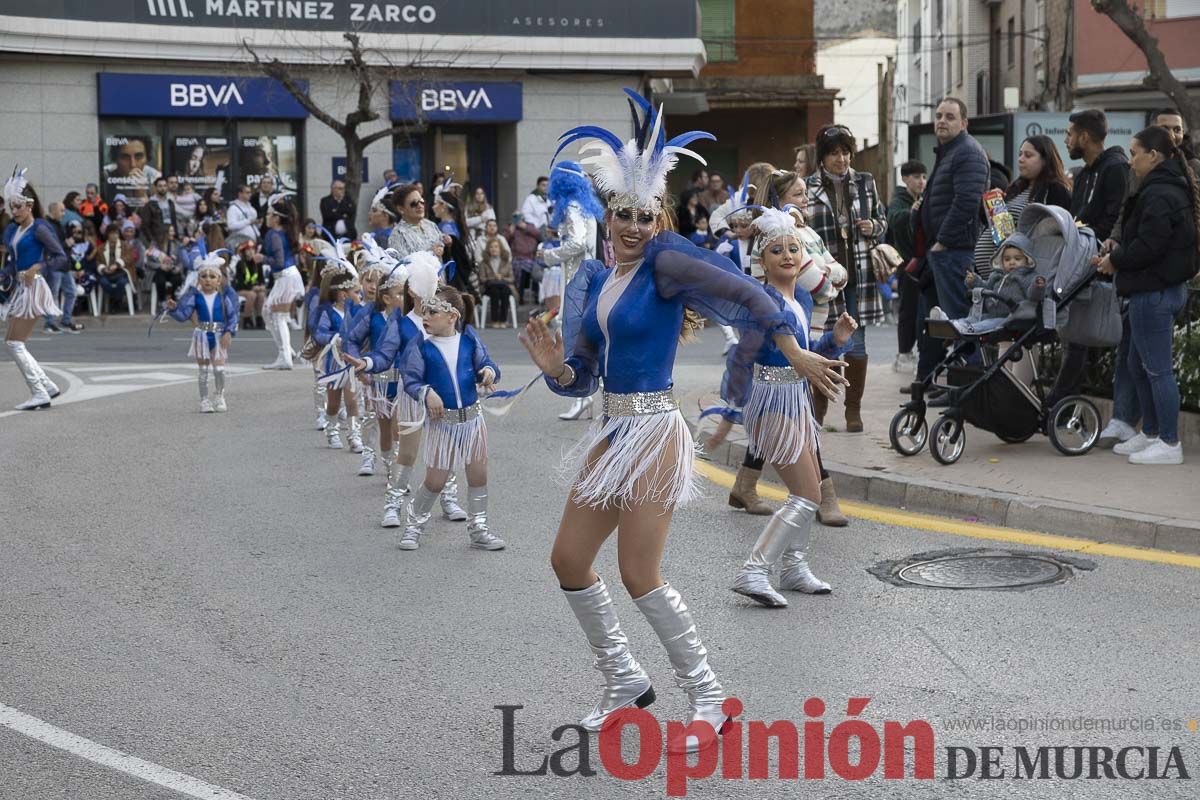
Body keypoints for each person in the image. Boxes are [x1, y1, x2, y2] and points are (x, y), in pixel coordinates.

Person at [519, 92, 848, 754]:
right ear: (608, 217)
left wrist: (792, 346)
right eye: (624, 215)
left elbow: (747, 293)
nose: (635, 226)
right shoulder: (598, 282)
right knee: (569, 559)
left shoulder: (665, 263)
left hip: (655, 432)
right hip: (611, 429)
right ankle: (622, 679)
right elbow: (582, 375)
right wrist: (555, 369)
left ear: (659, 217)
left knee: (639, 570)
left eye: (646, 215)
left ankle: (708, 697)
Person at [726, 207, 857, 606]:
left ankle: (794, 566)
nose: (787, 255)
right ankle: (754, 569)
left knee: (809, 488)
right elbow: (743, 356)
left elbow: (807, 356)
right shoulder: (761, 301)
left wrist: (835, 339)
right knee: (807, 495)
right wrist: (730, 406)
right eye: (776, 249)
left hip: (796, 400)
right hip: (771, 402)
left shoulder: (799, 298)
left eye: (794, 248)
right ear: (762, 262)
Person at [1096, 125, 1199, 465]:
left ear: (1153, 155)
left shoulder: (1160, 192)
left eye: (1135, 152)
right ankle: (1151, 432)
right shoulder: (1163, 187)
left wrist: (1115, 260)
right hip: (1153, 288)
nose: (1131, 159)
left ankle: (1169, 442)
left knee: (1156, 370)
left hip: (1153, 291)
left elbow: (1149, 246)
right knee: (1137, 365)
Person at [397, 284, 506, 551]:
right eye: (424, 311)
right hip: (443, 423)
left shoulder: (469, 340)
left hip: (472, 420)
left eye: (432, 312)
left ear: (452, 316)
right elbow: (411, 379)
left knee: (479, 476)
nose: (425, 317)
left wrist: (489, 373)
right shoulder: (421, 346)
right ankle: (413, 526)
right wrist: (427, 392)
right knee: (436, 480)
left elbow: (487, 363)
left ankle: (479, 528)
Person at [804, 124, 887, 432]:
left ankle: (854, 411)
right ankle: (818, 410)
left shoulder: (865, 182)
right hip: (823, 277)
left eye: (845, 152)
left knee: (858, 345)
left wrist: (873, 228)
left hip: (859, 275)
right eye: (834, 153)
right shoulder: (808, 186)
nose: (841, 159)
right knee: (823, 345)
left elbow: (881, 220)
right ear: (822, 157)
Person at [916, 98, 991, 381]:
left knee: (961, 321)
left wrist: (943, 241)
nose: (942, 121)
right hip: (942, 253)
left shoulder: (967, 152)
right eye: (938, 116)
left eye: (950, 116)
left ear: (964, 123)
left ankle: (966, 387)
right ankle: (931, 382)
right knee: (938, 323)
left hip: (955, 252)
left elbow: (967, 201)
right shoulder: (950, 152)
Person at [539, 160, 604, 418]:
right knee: (584, 334)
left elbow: (576, 243)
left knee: (573, 333)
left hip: (576, 278)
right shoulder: (586, 206)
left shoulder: (572, 208)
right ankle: (586, 397)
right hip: (588, 275)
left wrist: (549, 254)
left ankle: (581, 394)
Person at [2, 169, 66, 410]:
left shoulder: (39, 228)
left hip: (35, 286)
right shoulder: (14, 230)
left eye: (18, 206)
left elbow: (61, 258)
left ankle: (39, 391)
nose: (14, 211)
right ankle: (47, 386)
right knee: (12, 340)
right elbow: (11, 263)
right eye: (12, 206)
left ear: (29, 205)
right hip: (20, 287)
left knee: (14, 343)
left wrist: (37, 266)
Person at [973, 136, 1071, 279]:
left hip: (1021, 276)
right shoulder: (1015, 188)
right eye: (1020, 154)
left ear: (1045, 160)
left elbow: (1055, 233)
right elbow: (996, 228)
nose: (1021, 159)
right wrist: (989, 205)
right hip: (994, 274)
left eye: (1028, 155)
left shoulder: (1055, 190)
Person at [163, 257, 239, 413]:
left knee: (219, 370)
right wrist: (173, 309)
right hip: (201, 336)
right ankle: (204, 400)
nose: (208, 280)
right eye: (204, 276)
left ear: (219, 280)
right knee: (203, 370)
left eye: (212, 277)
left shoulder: (224, 299)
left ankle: (219, 396)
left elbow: (232, 317)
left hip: (218, 336)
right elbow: (184, 315)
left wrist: (229, 332)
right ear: (198, 280)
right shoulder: (195, 297)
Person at [311, 263, 363, 451]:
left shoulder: (358, 312)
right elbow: (319, 333)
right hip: (334, 363)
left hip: (352, 363)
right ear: (343, 295)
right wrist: (335, 338)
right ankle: (332, 431)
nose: (360, 296)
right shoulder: (328, 312)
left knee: (352, 401)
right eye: (357, 292)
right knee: (333, 403)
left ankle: (353, 435)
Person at [888, 160, 927, 373]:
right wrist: (911, 211)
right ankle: (904, 354)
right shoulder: (900, 200)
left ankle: (914, 353)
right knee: (908, 311)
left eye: (923, 177)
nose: (921, 181)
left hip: (922, 265)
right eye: (915, 177)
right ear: (905, 179)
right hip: (907, 265)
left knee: (921, 311)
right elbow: (893, 219)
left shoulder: (920, 199)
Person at [260, 197, 305, 370]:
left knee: (276, 316)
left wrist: (262, 258)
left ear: (277, 218)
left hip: (285, 276)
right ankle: (286, 351)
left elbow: (278, 261)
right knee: (268, 313)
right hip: (288, 276)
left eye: (269, 214)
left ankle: (285, 355)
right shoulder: (284, 232)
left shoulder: (274, 235)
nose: (267, 217)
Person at [388, 183, 444, 258]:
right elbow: (403, 265)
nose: (420, 206)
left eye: (422, 201)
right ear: (401, 209)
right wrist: (431, 253)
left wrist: (445, 244)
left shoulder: (430, 225)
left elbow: (441, 243)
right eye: (414, 203)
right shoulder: (397, 235)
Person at [505, 213, 542, 302]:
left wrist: (525, 227)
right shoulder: (510, 227)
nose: (517, 218)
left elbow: (538, 234)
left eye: (519, 216)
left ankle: (534, 296)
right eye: (515, 216)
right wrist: (511, 230)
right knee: (519, 267)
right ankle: (519, 296)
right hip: (517, 257)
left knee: (529, 267)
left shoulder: (529, 226)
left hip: (530, 258)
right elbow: (504, 241)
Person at [478, 238, 516, 327]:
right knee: (495, 291)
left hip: (504, 285)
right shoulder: (484, 262)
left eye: (496, 247)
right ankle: (494, 320)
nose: (494, 249)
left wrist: (502, 277)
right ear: (488, 249)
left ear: (500, 249)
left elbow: (512, 278)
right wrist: (493, 278)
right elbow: (482, 279)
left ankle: (503, 320)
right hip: (489, 286)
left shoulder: (506, 261)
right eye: (491, 247)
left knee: (505, 291)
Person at [225, 184, 259, 251]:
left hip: (254, 242)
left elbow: (254, 226)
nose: (250, 194)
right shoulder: (233, 208)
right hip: (240, 243)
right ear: (240, 194)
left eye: (250, 192)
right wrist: (249, 221)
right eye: (247, 192)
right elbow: (231, 226)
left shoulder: (252, 209)